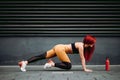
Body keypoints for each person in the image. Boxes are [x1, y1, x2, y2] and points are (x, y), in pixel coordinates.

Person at [18, 35, 96, 72]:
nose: (93, 44)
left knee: (42, 56)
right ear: (89, 42)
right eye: (93, 42)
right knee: (68, 66)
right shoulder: (81, 46)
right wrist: (85, 69)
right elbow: (82, 58)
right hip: (60, 49)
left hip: (58, 47)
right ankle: (52, 64)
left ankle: (24, 63)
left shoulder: (83, 46)